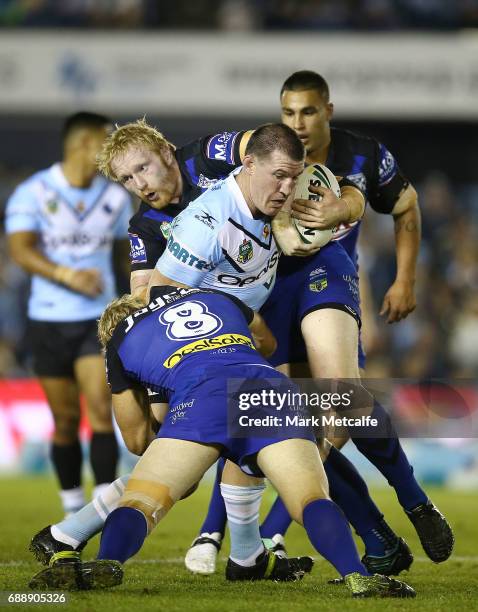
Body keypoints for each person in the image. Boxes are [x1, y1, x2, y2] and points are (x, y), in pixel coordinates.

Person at [28, 120, 411, 580]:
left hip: (253, 316)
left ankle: (233, 552)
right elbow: (146, 302)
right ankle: (88, 533)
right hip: (215, 334)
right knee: (195, 449)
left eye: (143, 168)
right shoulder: (147, 228)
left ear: (168, 153)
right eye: (127, 180)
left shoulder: (207, 158)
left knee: (279, 423)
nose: (140, 185)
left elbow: (279, 152)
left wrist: (337, 205)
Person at [29, 286, 416, 598]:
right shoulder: (215, 296)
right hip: (267, 386)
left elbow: (134, 438)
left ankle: (108, 561)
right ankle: (358, 577)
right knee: (311, 500)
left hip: (202, 397)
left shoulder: (120, 341)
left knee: (142, 501)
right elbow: (264, 340)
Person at [254, 70, 453, 567]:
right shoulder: (267, 155)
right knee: (296, 426)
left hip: (328, 281)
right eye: (288, 112)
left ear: (328, 112)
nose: (297, 123)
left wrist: (405, 277)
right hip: (274, 294)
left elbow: (406, 206)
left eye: (308, 112)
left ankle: (413, 498)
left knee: (343, 400)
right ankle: (379, 540)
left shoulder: (363, 155)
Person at [5, 111, 133, 515]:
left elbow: (124, 257)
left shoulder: (115, 197)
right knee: (63, 419)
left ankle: (106, 507)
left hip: (98, 319)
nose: (112, 151)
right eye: (105, 142)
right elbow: (21, 250)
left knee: (98, 410)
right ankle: (72, 506)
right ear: (82, 143)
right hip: (47, 319)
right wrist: (66, 274)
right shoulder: (34, 191)